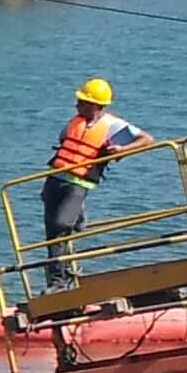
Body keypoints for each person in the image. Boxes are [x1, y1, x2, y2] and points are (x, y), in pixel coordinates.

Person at [42, 77, 152, 291]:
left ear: (96, 105)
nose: (77, 105)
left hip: (78, 184)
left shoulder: (113, 126)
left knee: (61, 226)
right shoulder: (74, 122)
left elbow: (147, 139)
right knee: (51, 235)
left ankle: (60, 279)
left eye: (83, 102)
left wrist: (122, 150)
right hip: (55, 180)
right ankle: (57, 280)